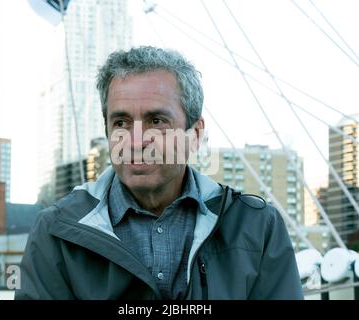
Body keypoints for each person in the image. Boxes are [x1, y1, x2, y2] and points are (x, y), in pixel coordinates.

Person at [15, 46, 303, 300]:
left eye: (156, 120)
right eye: (121, 122)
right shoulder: (57, 231)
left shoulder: (255, 226)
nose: (137, 140)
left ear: (196, 133)